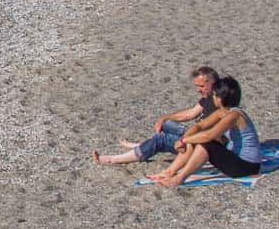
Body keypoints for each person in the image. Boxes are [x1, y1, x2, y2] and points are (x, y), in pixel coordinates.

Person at [91, 66, 220, 166]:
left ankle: (112, 159)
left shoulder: (221, 102)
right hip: (193, 135)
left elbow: (211, 135)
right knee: (166, 124)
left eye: (201, 86)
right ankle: (142, 145)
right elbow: (190, 114)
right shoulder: (208, 97)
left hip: (201, 144)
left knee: (160, 140)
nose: (198, 89)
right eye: (197, 86)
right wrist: (164, 118)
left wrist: (185, 140)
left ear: (212, 83)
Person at [151, 78, 261, 187]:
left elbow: (210, 135)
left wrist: (183, 140)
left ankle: (179, 179)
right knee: (195, 139)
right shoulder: (223, 112)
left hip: (247, 166)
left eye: (214, 95)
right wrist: (185, 139)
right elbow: (200, 125)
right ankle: (169, 172)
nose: (213, 97)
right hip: (235, 158)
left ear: (221, 98)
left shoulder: (235, 115)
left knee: (205, 143)